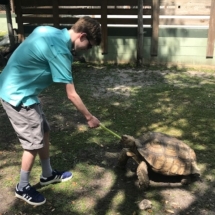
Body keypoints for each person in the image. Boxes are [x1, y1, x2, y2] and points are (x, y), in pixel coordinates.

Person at [0, 16, 102, 206]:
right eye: (89, 46)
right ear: (82, 36)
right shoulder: (60, 51)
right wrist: (89, 118)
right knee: (32, 143)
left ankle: (47, 174)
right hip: (17, 94)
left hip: (24, 91)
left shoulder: (50, 31)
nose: (88, 50)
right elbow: (71, 94)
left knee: (44, 130)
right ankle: (22, 187)